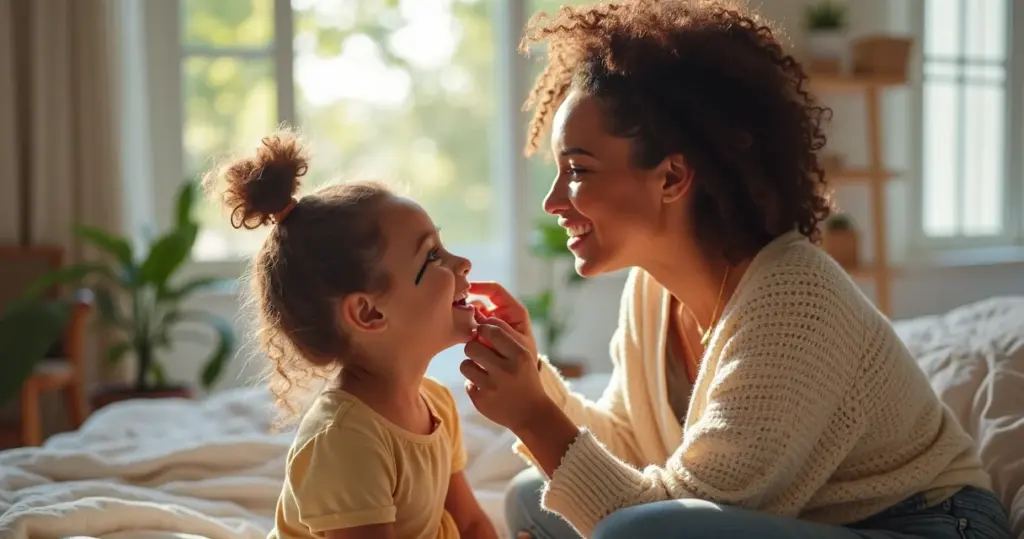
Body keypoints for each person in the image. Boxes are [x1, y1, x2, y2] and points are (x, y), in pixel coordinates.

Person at [458, 1, 1014, 538]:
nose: (553, 202)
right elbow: (626, 445)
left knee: (640, 529)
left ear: (672, 177)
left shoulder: (795, 303)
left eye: (578, 169)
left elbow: (671, 519)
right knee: (529, 499)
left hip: (929, 525)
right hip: (797, 523)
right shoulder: (652, 291)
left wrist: (533, 416)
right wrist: (531, 380)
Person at [205, 132, 498, 539]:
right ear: (368, 312)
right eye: (432, 255)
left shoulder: (437, 405)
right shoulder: (345, 440)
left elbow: (470, 523)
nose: (462, 263)